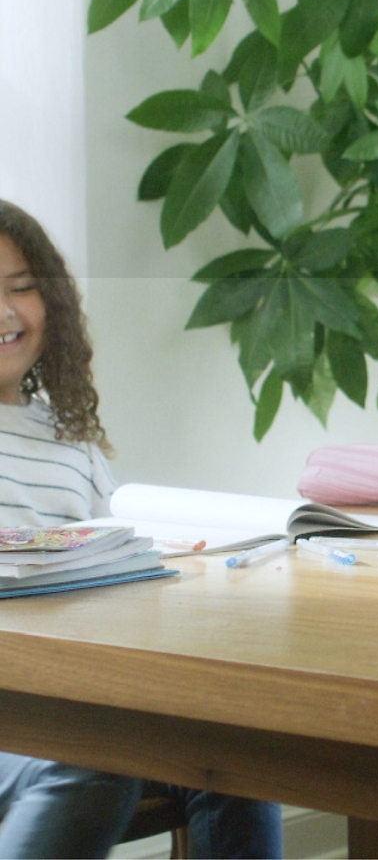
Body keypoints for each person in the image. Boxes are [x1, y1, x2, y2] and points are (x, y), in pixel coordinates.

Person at [0, 199, 283, 859]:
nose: (7, 313)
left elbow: (122, 563)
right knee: (91, 757)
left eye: (21, 289)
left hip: (76, 688)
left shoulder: (69, 440)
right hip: (22, 708)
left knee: (235, 751)